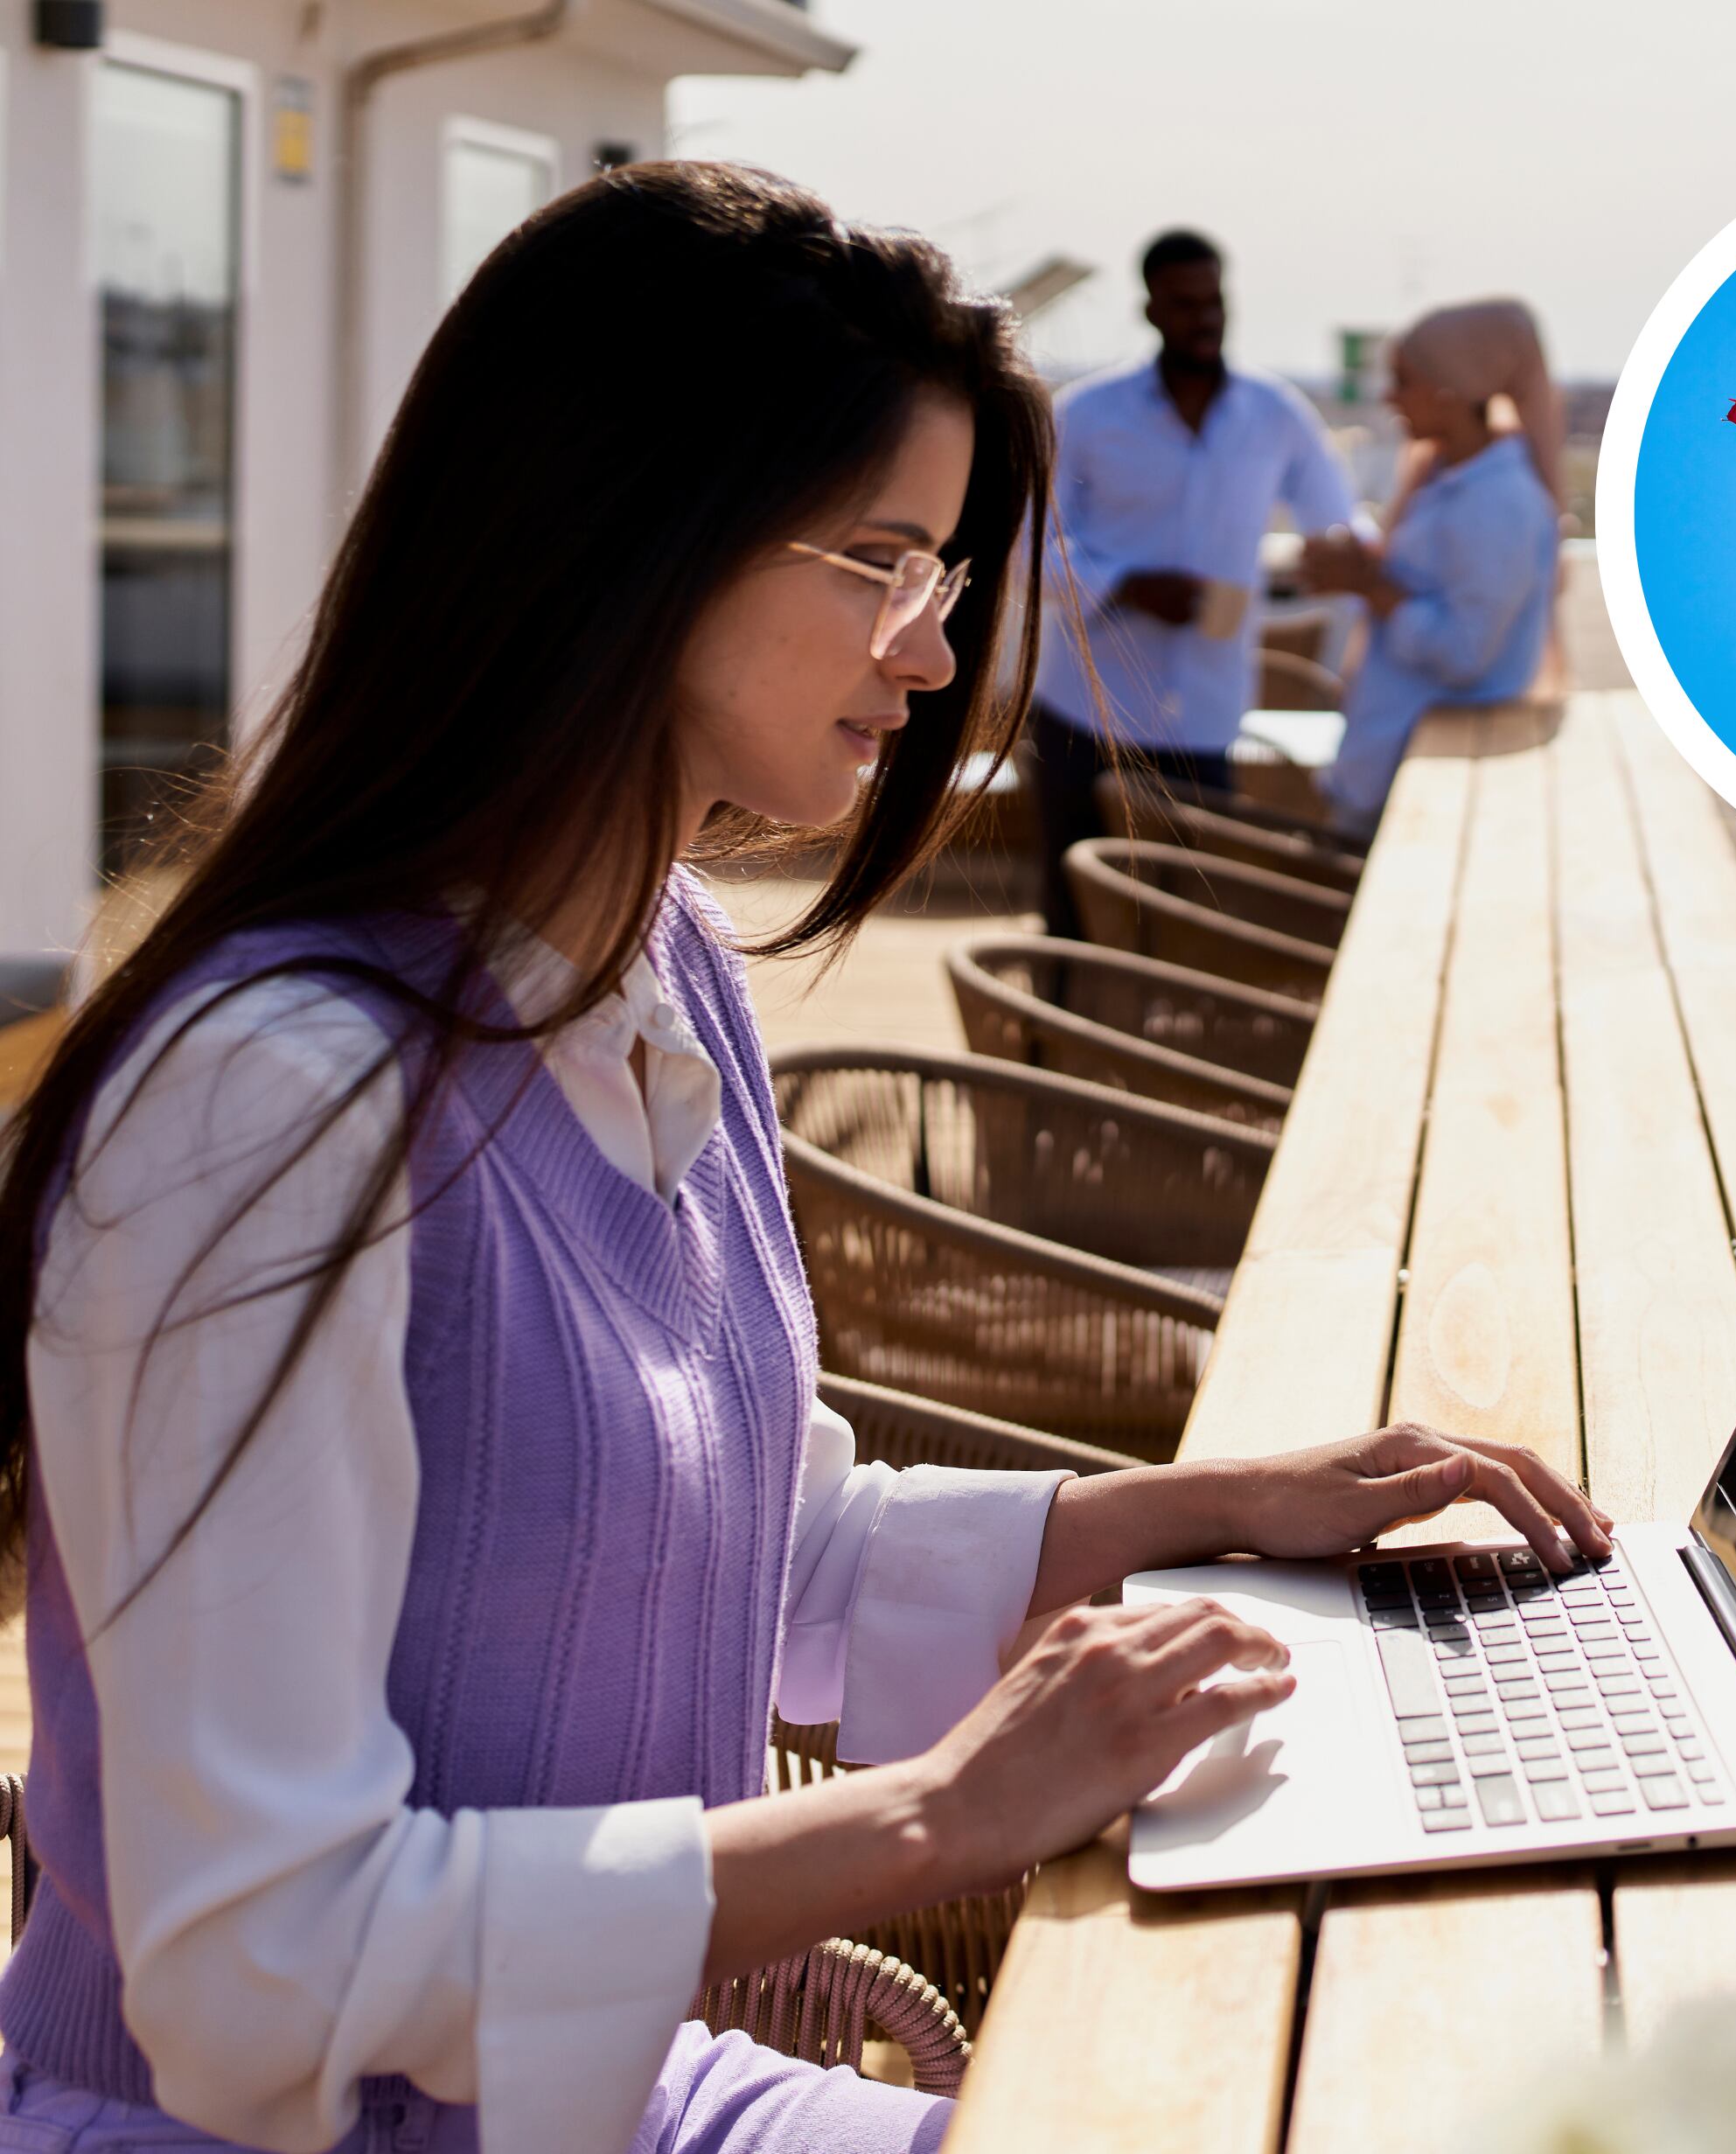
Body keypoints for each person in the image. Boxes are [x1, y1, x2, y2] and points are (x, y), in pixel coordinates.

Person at [0, 166, 1612, 2154]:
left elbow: (724, 1549)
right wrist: (926, 1819)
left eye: (938, 571)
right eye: (878, 558)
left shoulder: (651, 956)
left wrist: (1204, 1501)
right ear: (618, 537)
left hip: (589, 2093)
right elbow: (259, 1972)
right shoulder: (271, 1102)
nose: (930, 656)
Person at [1028, 228, 1359, 934]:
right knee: (1075, 917)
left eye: (1214, 302)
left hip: (1207, 720)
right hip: (1088, 713)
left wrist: (1348, 564)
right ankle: (1052, 1044)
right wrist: (1125, 583)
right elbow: (1027, 547)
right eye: (1184, 303)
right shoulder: (1087, 414)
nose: (1203, 319)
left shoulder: (1275, 415)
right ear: (1150, 309)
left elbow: (1338, 526)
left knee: (1191, 925)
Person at [1300, 301, 1563, 833]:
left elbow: (1465, 653)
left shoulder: (1499, 502)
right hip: (1386, 775)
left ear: (1450, 391)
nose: (1388, 395)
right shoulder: (1448, 481)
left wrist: (1370, 586)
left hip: (1422, 801)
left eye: (1403, 379)